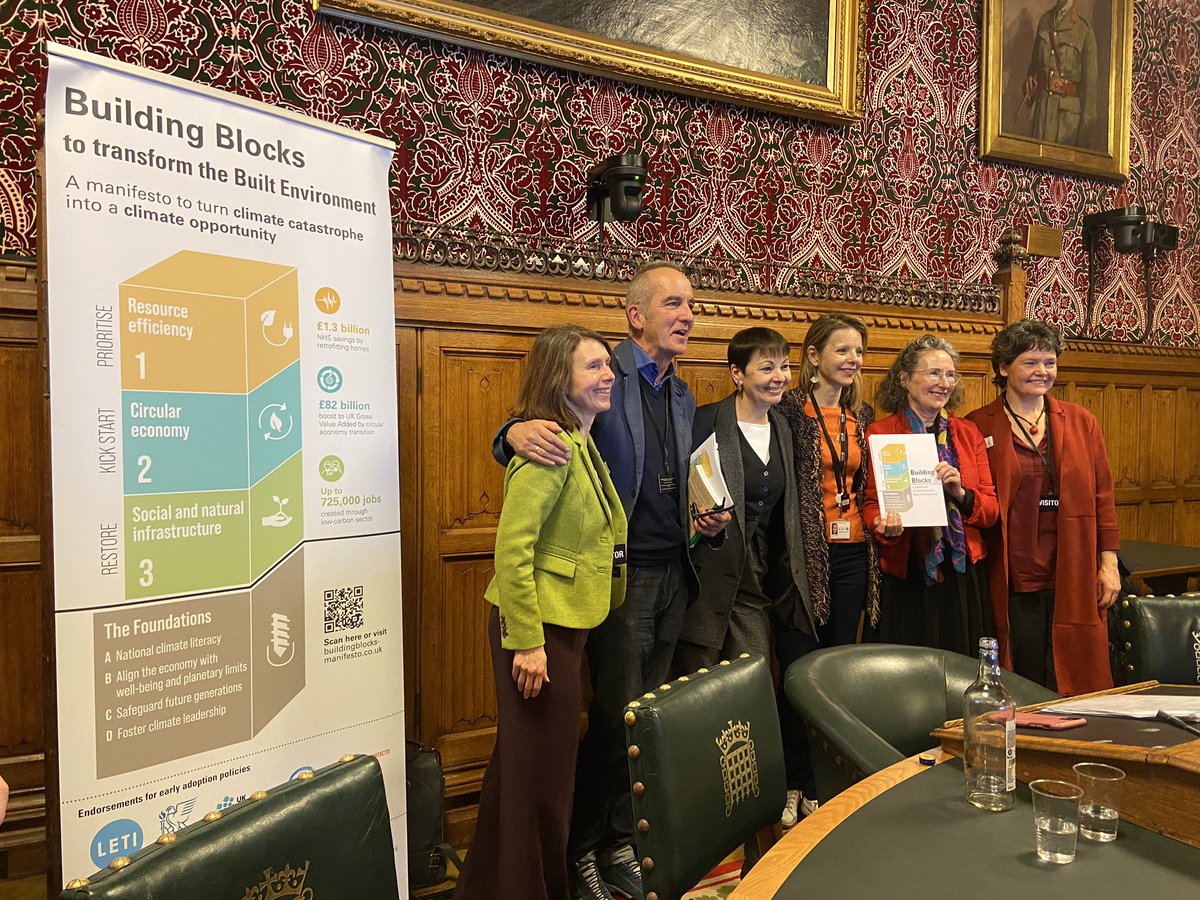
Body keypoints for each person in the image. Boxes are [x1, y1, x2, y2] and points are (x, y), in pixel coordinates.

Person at [492, 261, 729, 900]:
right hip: (619, 582)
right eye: (674, 304)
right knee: (615, 719)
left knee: (644, 720)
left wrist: (702, 518)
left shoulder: (681, 393)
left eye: (691, 305)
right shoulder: (602, 375)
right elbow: (537, 434)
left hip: (675, 569)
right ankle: (584, 850)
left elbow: (677, 474)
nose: (687, 316)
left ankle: (624, 839)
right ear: (636, 316)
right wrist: (509, 434)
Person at [455, 325, 628, 900]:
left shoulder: (579, 440)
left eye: (608, 364)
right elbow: (513, 550)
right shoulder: (547, 449)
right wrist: (526, 641)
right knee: (542, 783)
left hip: (564, 627)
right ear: (560, 379)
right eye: (593, 367)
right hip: (536, 633)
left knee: (522, 774)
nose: (608, 375)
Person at [966, 320, 1119, 695]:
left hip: (1073, 563)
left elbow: (1103, 495)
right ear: (1003, 367)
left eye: (1049, 362)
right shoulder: (976, 424)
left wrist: (1109, 562)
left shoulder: (1081, 420)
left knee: (1077, 666)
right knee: (1025, 671)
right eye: (1031, 362)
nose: (1043, 372)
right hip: (1012, 569)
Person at [774, 313, 878, 825]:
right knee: (798, 671)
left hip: (854, 555)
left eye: (857, 352)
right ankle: (796, 778)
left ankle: (827, 780)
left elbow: (868, 490)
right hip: (801, 561)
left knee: (836, 670)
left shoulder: (863, 417)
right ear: (813, 357)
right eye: (841, 350)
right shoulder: (788, 414)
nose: (852, 361)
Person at [675, 326, 815, 675]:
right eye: (767, 368)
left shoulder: (783, 427)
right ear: (737, 373)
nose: (779, 377)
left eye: (784, 366)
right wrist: (697, 523)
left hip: (757, 582)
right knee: (698, 689)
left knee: (751, 684)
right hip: (705, 584)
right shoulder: (704, 421)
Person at [862, 335, 999, 655]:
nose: (944, 382)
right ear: (905, 379)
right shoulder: (880, 433)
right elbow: (870, 503)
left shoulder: (968, 433)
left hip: (961, 572)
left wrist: (961, 493)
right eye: (934, 373)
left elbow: (991, 509)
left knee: (960, 667)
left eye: (951, 374)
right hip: (905, 569)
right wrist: (881, 524)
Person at [1023, 0, 1099, 149]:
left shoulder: (1084, 31)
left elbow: (1090, 95)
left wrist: (1083, 145)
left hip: (1067, 125)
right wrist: (1030, 82)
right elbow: (1034, 67)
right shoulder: (1044, 21)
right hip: (1042, 118)